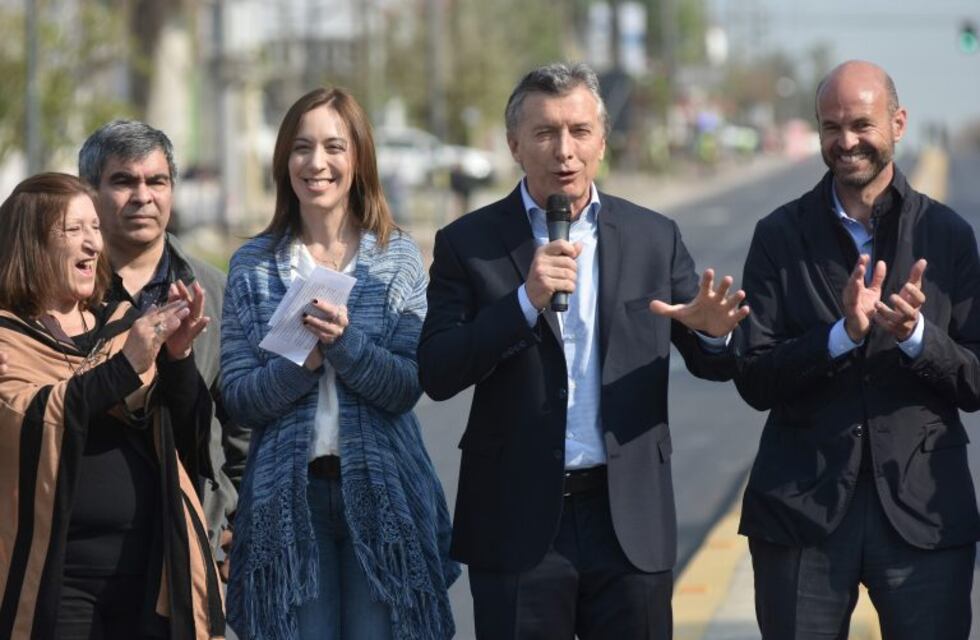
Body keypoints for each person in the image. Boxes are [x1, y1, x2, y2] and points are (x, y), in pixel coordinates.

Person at [418, 62, 749, 639]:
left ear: (602, 141)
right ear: (514, 145)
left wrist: (713, 333)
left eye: (579, 131)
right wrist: (524, 302)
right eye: (545, 133)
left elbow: (714, 363)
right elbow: (438, 370)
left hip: (628, 523)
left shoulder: (653, 237)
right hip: (516, 524)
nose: (564, 151)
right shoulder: (468, 244)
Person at [735, 60, 980, 639]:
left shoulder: (948, 236)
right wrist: (839, 336)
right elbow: (753, 376)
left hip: (925, 516)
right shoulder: (778, 235)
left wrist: (917, 337)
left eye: (862, 124)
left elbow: (975, 381)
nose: (846, 141)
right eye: (832, 127)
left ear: (898, 123)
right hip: (801, 516)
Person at [221, 87, 458, 640]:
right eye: (301, 147)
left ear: (359, 159)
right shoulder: (254, 265)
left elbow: (406, 386)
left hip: (383, 494)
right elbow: (239, 398)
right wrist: (301, 363)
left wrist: (345, 346)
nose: (317, 163)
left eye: (334, 146)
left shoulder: (396, 256)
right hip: (290, 499)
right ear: (284, 159)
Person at [0, 173, 224, 639]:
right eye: (74, 229)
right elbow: (33, 417)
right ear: (31, 242)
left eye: (95, 228)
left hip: (147, 570)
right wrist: (124, 367)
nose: (94, 244)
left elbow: (183, 435)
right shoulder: (8, 336)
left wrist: (178, 358)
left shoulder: (121, 323)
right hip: (56, 579)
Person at [78, 120, 246, 573]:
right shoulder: (59, 293)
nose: (143, 196)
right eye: (123, 181)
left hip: (189, 539)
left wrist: (235, 519)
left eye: (156, 181)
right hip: (81, 547)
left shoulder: (215, 292)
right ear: (89, 191)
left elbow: (241, 424)